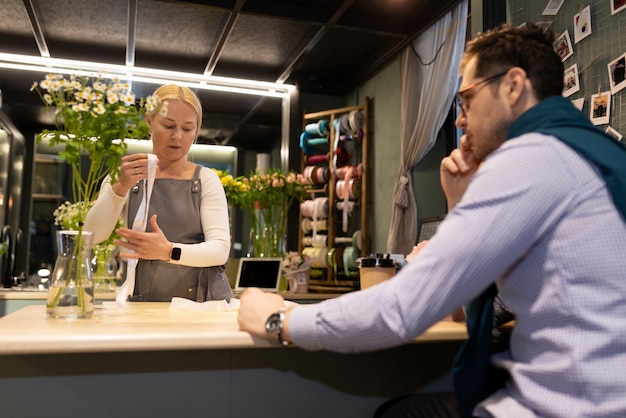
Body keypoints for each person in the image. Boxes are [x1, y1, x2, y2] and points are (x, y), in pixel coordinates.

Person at [237, 23, 626, 418]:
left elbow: (402, 309)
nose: (459, 120)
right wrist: (460, 203)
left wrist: (278, 320)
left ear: (513, 86)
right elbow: (470, 285)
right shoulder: (594, 153)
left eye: (467, 99)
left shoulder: (530, 157)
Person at [84, 84, 232, 303]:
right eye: (169, 125)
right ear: (149, 121)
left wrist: (169, 251)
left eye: (188, 128)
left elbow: (220, 250)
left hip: (201, 307)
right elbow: (92, 235)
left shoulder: (206, 179)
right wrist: (118, 189)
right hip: (142, 305)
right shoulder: (125, 174)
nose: (178, 136)